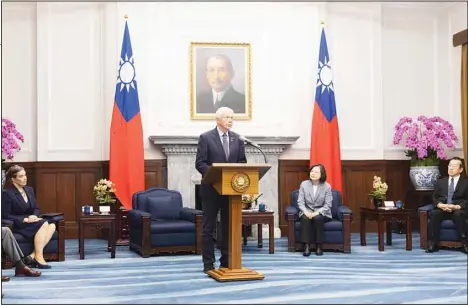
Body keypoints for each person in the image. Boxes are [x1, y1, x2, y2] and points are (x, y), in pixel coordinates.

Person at [195, 106, 247, 273]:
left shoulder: (238, 139)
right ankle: (208, 264)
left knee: (228, 226)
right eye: (226, 117)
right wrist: (215, 176)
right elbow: (200, 163)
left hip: (230, 191)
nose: (230, 120)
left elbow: (242, 162)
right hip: (211, 189)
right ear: (218, 120)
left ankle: (226, 261)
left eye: (232, 117)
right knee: (209, 227)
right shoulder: (206, 138)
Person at [2, 165, 56, 268]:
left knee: (52, 226)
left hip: (32, 221)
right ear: (13, 179)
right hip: (19, 224)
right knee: (45, 223)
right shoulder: (8, 193)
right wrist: (24, 219)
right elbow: (5, 215)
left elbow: (36, 208)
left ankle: (32, 256)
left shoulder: (29, 189)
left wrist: (33, 216)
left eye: (25, 175)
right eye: (21, 176)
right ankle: (39, 257)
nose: (25, 178)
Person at [427, 157, 468, 254]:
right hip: (443, 208)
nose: (450, 168)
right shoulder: (441, 182)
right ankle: (433, 243)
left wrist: (457, 206)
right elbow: (434, 197)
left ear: (460, 169)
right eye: (449, 165)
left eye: (454, 166)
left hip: (458, 209)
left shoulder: (465, 183)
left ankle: (464, 243)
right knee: (434, 214)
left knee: (458, 215)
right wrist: (440, 205)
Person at [297, 164, 333, 257]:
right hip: (307, 210)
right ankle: (306, 246)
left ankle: (319, 246)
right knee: (305, 218)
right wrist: (306, 212)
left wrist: (316, 213)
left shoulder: (327, 186)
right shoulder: (304, 184)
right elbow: (300, 201)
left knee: (318, 218)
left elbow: (328, 204)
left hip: (321, 212)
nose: (313, 173)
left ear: (322, 174)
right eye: (312, 171)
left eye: (316, 172)